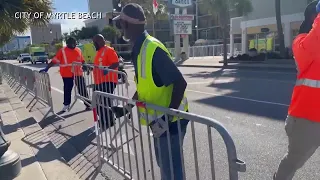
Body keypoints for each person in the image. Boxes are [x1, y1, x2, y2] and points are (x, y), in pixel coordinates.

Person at [113, 3, 189, 180]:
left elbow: (180, 83)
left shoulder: (152, 48)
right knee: (165, 166)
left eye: (120, 24)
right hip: (160, 122)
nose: (119, 29)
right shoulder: (140, 49)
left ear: (127, 24)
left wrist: (167, 117)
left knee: (171, 172)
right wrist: (127, 107)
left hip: (171, 123)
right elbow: (144, 88)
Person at [274, 1, 320, 179]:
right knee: (292, 162)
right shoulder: (301, 43)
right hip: (306, 120)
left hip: (306, 119)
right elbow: (315, 44)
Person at [39, 37, 90, 112]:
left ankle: (88, 104)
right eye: (73, 43)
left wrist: (86, 66)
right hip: (67, 74)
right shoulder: (62, 51)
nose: (74, 44)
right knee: (67, 89)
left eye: (75, 43)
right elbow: (54, 61)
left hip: (78, 73)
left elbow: (82, 60)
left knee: (82, 89)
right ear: (68, 43)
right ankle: (66, 104)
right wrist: (47, 68)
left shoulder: (78, 50)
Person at [92, 34, 119, 128]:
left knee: (104, 103)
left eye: (95, 42)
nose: (94, 44)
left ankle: (108, 121)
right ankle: (107, 119)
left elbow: (116, 63)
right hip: (99, 82)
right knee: (97, 102)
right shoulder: (99, 52)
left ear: (99, 41)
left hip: (108, 81)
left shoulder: (109, 50)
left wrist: (107, 70)